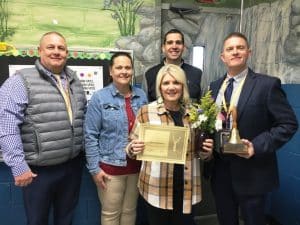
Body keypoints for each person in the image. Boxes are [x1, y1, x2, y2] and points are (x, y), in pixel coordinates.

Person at [205, 32, 298, 225]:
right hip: (220, 171)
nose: (235, 52)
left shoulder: (267, 85)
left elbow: (288, 124)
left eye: (240, 47)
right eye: (230, 49)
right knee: (226, 220)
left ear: (249, 52)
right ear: (223, 57)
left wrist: (255, 146)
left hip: (253, 172)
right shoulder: (214, 87)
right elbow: (211, 124)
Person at [0, 31, 86, 225]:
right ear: (39, 51)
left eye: (61, 48)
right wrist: (18, 165)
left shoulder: (74, 81)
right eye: (51, 47)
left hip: (72, 166)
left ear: (67, 53)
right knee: (37, 221)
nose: (56, 52)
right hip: (39, 172)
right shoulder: (21, 81)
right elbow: (6, 124)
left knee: (66, 219)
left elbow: (82, 119)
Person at [126, 64, 214, 225]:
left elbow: (199, 152)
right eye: (166, 83)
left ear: (183, 86)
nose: (171, 87)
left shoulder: (194, 113)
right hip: (157, 189)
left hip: (186, 186)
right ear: (160, 87)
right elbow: (131, 144)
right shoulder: (146, 111)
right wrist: (133, 148)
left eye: (176, 83)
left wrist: (206, 152)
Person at [84, 52, 148, 225]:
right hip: (110, 168)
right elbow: (90, 135)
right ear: (110, 71)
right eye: (119, 67)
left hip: (136, 166)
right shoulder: (100, 98)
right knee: (111, 214)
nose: (124, 71)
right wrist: (94, 169)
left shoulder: (141, 96)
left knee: (129, 211)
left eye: (127, 67)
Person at [143, 28, 202, 103]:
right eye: (170, 42)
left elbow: (205, 105)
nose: (174, 46)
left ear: (183, 47)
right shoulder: (150, 74)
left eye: (178, 42)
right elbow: (145, 104)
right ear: (163, 48)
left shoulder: (197, 74)